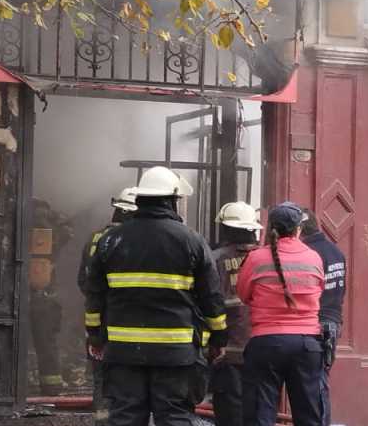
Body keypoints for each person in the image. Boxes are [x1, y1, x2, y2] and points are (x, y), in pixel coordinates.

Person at [82, 166, 228, 426]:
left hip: (123, 349)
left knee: (125, 416)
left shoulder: (109, 240)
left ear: (140, 199)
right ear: (172, 200)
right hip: (176, 351)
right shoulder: (191, 240)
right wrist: (218, 337)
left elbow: (94, 296)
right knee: (174, 417)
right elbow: (211, 298)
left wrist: (94, 335)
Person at [237, 202, 327, 426]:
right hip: (307, 345)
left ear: (270, 228)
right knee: (309, 415)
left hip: (266, 343)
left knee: (260, 415)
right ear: (299, 229)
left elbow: (243, 295)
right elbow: (319, 292)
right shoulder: (314, 258)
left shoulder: (256, 258)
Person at [77, 187, 138, 425]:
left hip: (96, 317)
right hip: (125, 319)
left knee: (100, 372)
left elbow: (83, 280)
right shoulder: (129, 241)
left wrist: (97, 302)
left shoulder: (95, 239)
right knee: (127, 375)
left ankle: (101, 419)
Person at [209, 202, 262, 426]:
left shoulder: (214, 258)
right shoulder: (268, 258)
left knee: (230, 410)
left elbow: (208, 302)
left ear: (226, 228)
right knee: (260, 407)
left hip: (226, 349)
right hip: (262, 347)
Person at [300, 209, 346, 425]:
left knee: (314, 384)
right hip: (333, 321)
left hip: (315, 323)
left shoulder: (308, 254)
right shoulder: (336, 252)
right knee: (320, 381)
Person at [29, 199, 74, 395]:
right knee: (46, 341)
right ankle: (51, 385)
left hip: (27, 291)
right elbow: (66, 231)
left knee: (42, 340)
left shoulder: (22, 221)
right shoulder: (56, 230)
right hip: (43, 293)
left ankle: (49, 384)